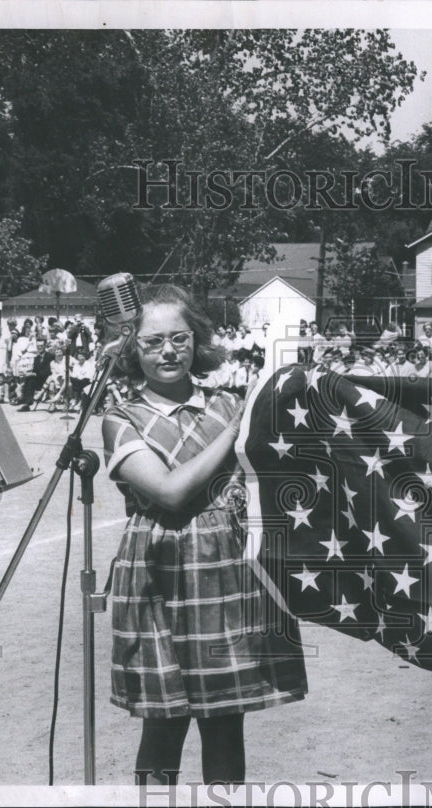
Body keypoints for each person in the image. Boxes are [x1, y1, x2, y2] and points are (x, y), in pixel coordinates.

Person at [100, 284, 307, 785]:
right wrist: (234, 431)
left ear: (198, 340)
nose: (168, 351)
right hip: (159, 579)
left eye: (179, 337)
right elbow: (169, 493)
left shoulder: (226, 403)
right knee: (163, 721)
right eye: (152, 342)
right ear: (131, 347)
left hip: (227, 576)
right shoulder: (120, 418)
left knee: (224, 721)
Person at [17, 337, 54, 411]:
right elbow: (35, 371)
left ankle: (28, 402)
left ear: (45, 346)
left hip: (48, 379)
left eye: (41, 346)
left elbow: (48, 371)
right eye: (38, 346)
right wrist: (28, 374)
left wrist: (33, 374)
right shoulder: (36, 358)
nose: (39, 347)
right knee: (29, 380)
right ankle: (27, 403)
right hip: (40, 380)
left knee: (31, 377)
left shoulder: (50, 356)